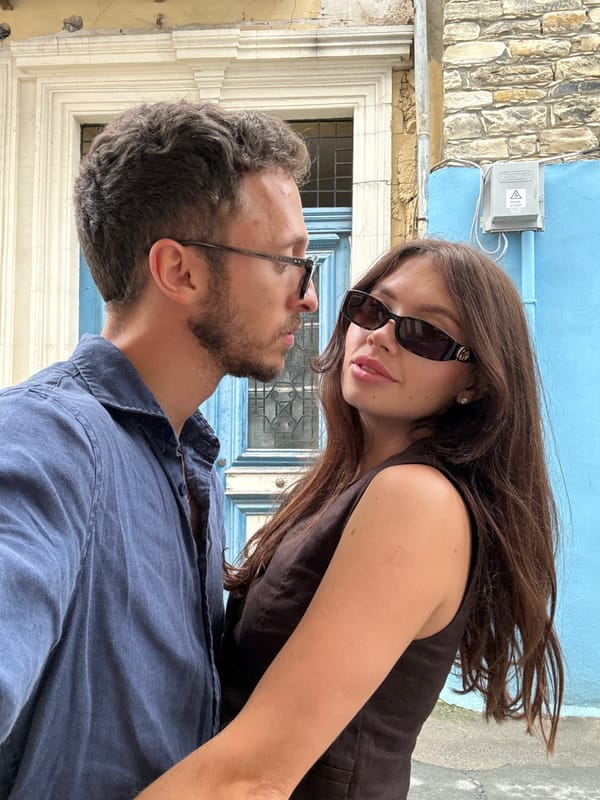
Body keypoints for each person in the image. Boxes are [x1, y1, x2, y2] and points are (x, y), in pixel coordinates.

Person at [138, 239, 564, 800]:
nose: (381, 335)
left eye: (426, 332)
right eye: (372, 308)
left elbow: (253, 778)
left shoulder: (416, 500)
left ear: (476, 382)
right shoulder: (348, 482)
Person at [0, 100, 317, 799]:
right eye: (288, 264)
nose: (309, 300)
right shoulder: (48, 444)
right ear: (180, 271)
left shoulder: (185, 455)